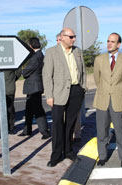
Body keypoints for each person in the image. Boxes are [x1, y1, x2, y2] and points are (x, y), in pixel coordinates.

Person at [43, 28, 86, 167]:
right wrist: (49, 95)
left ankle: (68, 151)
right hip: (58, 94)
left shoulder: (77, 51)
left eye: (74, 36)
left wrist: (83, 87)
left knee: (70, 124)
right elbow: (47, 76)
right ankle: (56, 155)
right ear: (62, 37)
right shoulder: (51, 52)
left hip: (76, 91)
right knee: (57, 125)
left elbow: (83, 71)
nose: (74, 39)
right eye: (71, 37)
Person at [93, 32, 122, 167]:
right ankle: (103, 156)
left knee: (120, 130)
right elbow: (97, 80)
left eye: (112, 41)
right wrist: (105, 90)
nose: (109, 44)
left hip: (119, 100)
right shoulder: (99, 59)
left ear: (119, 44)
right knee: (102, 130)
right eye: (108, 41)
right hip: (102, 99)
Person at [18, 37, 50, 139]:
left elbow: (26, 72)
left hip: (34, 87)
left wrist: (22, 71)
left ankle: (45, 132)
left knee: (38, 110)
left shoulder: (35, 57)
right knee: (29, 110)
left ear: (31, 46)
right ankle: (27, 130)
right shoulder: (40, 55)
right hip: (34, 86)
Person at [0, 68, 22, 135]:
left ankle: (11, 127)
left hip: (8, 87)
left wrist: (12, 78)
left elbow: (18, 71)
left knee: (9, 109)